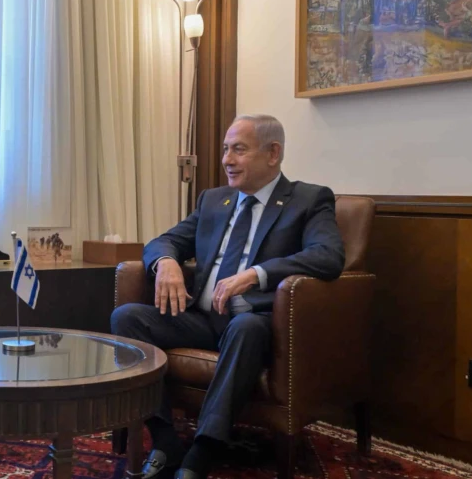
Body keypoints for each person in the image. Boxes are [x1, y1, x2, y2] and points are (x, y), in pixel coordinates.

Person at [110, 114, 345, 479]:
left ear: (273, 153)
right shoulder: (214, 200)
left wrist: (256, 274)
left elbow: (328, 256)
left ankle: (203, 451)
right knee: (126, 317)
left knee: (246, 327)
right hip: (202, 318)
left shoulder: (308, 199)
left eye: (239, 150)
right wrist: (167, 263)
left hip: (256, 323)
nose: (227, 160)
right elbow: (164, 241)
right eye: (225, 149)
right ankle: (165, 440)